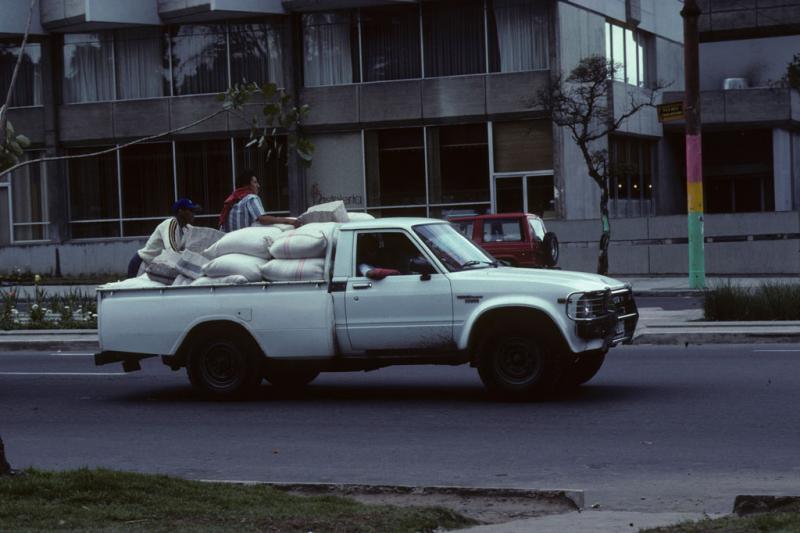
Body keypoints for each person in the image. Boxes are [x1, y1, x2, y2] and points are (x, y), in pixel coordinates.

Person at [126, 198, 199, 278]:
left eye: (194, 211)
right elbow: (172, 251)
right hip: (143, 263)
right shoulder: (171, 224)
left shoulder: (186, 229)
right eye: (191, 210)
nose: (194, 213)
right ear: (180, 211)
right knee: (135, 290)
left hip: (154, 267)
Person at [220, 170, 300, 232]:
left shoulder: (231, 201)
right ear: (247, 185)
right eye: (255, 182)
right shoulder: (250, 198)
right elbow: (263, 219)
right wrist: (287, 220)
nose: (258, 185)